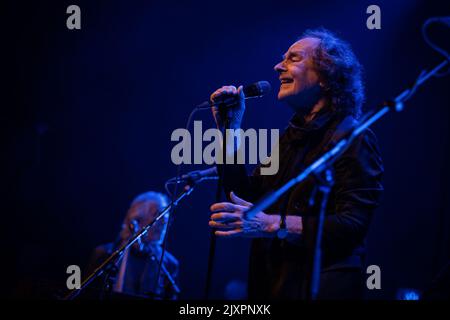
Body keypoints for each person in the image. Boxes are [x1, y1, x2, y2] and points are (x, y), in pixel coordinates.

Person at [208, 28, 384, 300]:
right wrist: (229, 130)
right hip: (273, 283)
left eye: (293, 59)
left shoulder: (353, 138)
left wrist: (271, 224)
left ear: (326, 77)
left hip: (323, 286)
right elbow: (245, 196)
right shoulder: (291, 138)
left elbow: (352, 224)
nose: (278, 66)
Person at [87, 191, 179, 299]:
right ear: (136, 220)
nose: (164, 221)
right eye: (157, 214)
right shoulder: (105, 254)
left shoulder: (169, 264)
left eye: (166, 216)